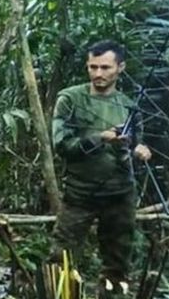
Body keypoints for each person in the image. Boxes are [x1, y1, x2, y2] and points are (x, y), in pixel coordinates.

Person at [50, 40, 151, 284]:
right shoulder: (71, 99)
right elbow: (62, 145)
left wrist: (139, 150)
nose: (98, 73)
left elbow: (134, 144)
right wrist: (99, 138)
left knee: (117, 267)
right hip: (80, 192)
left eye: (105, 67)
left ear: (120, 68)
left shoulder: (129, 106)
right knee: (59, 261)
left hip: (120, 194)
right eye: (92, 67)